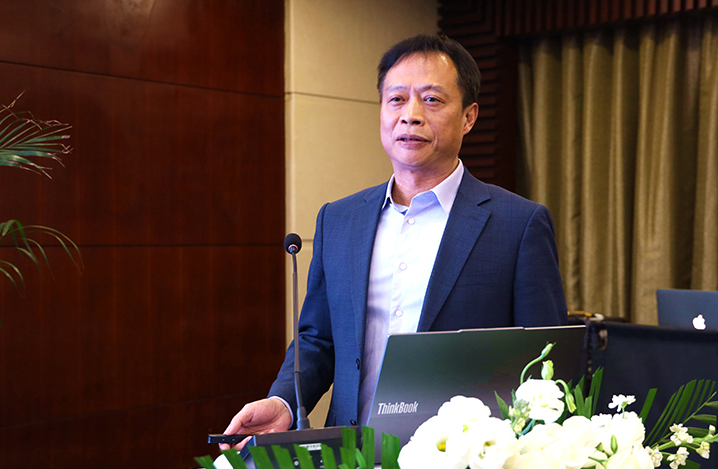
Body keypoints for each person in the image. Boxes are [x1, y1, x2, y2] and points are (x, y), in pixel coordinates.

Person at [222, 34, 567, 447]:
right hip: (352, 459)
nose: (411, 116)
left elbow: (547, 362)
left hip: (465, 465)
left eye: (432, 100)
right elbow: (319, 339)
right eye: (397, 100)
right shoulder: (339, 220)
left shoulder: (518, 224)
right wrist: (283, 401)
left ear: (469, 117)